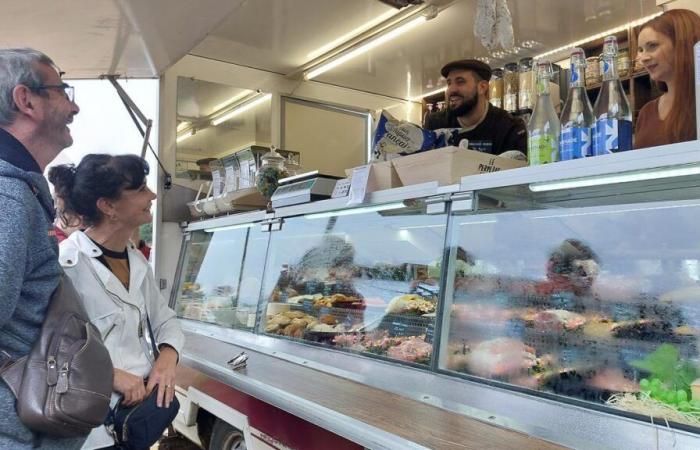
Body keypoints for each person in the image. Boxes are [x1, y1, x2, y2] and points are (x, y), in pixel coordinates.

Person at [49, 154, 184, 450]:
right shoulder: (66, 264)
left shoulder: (136, 261)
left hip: (136, 419)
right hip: (88, 427)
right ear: (108, 206)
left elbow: (166, 319)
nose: (151, 196)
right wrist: (110, 375)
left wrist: (167, 358)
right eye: (139, 189)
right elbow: (49, 348)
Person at [0, 48, 82, 449]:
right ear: (25, 100)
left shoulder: (20, 192)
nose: (75, 105)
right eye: (63, 90)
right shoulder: (8, 197)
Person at [423, 59, 527, 155]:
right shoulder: (435, 124)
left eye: (460, 82)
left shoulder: (508, 127)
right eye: (449, 83)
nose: (452, 89)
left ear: (482, 87)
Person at [634, 9, 700, 149]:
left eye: (653, 46)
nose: (643, 58)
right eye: (640, 50)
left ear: (683, 44)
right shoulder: (646, 112)